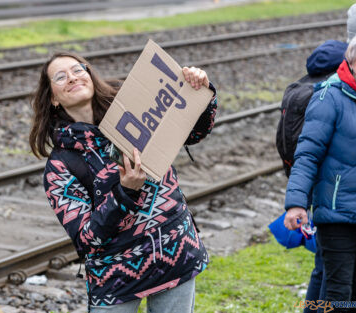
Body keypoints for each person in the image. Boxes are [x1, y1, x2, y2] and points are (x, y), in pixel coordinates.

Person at [29, 51, 217, 312]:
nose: (72, 78)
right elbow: (87, 239)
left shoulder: (134, 109)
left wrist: (200, 91)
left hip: (175, 254)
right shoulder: (60, 166)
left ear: (91, 76)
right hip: (117, 280)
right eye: (60, 77)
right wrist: (124, 192)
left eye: (78, 69)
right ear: (53, 98)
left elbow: (194, 132)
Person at [284, 32, 356, 312]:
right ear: (351, 61)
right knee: (340, 295)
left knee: (354, 294)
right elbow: (307, 154)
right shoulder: (329, 96)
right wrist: (296, 203)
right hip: (337, 213)